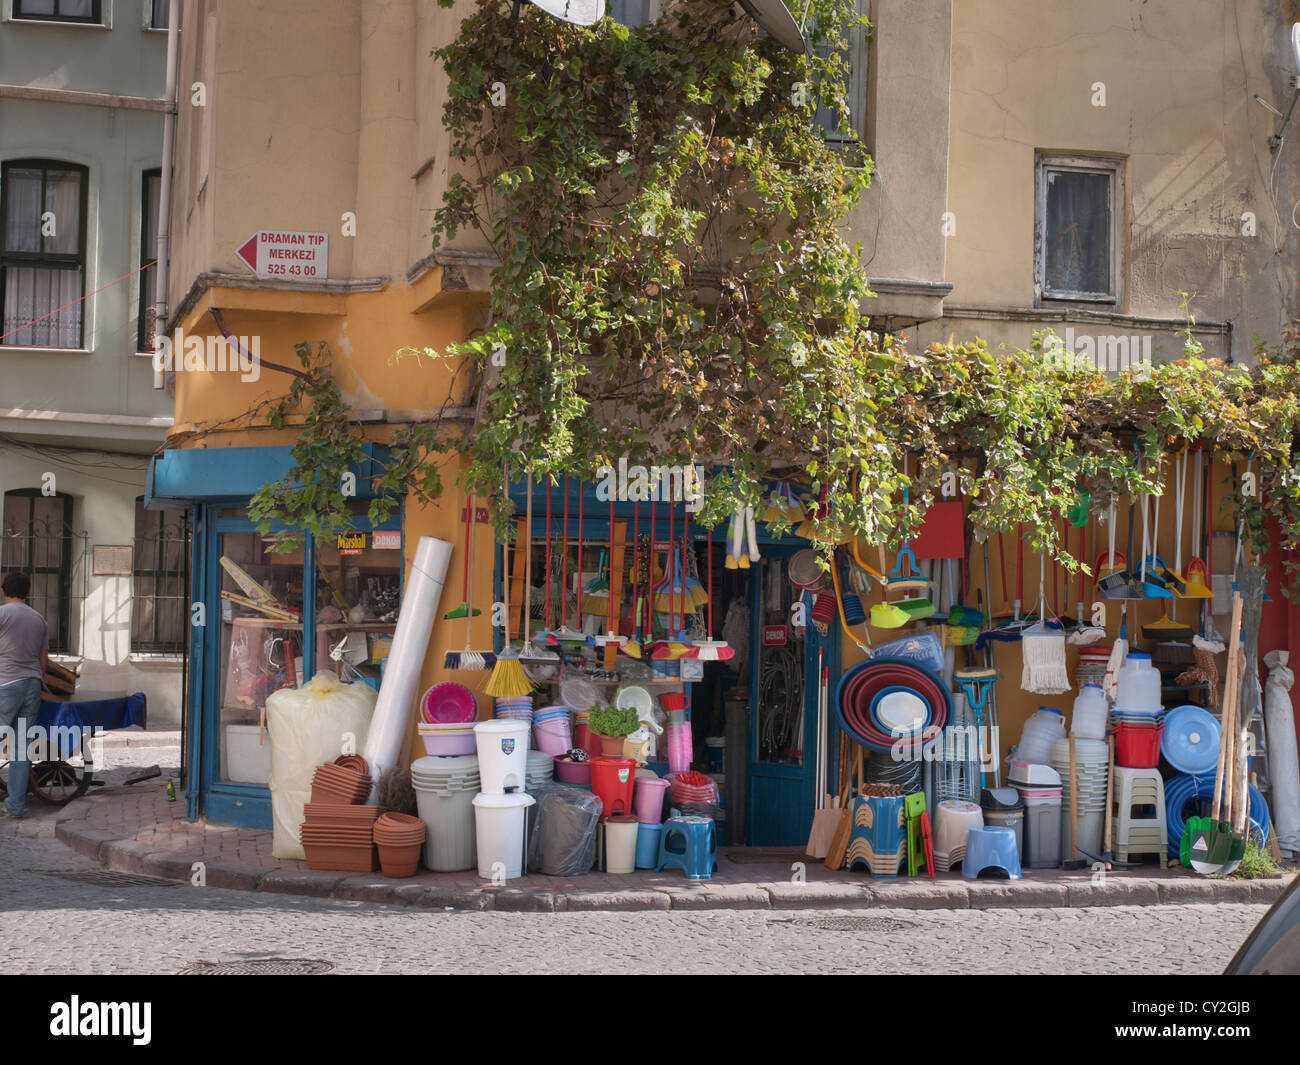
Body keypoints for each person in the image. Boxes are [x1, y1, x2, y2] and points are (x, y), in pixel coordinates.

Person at [0, 572, 49, 818]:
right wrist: (37, 680)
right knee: (21, 748)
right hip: (32, 685)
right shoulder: (39, 619)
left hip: (7, 683)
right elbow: (43, 660)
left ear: (3, 590)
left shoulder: (2, 614)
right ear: (27, 592)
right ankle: (16, 806)